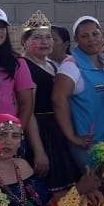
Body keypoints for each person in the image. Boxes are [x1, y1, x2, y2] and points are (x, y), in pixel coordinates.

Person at [0, 6, 48, 176]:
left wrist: (13, 138)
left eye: (1, 27)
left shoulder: (16, 63)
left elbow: (27, 106)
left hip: (10, 139)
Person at [21, 11, 78, 196]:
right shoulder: (23, 66)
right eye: (37, 37)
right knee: (44, 195)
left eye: (48, 37)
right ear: (25, 42)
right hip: (39, 132)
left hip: (56, 131)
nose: (44, 42)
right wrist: (39, 150)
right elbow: (28, 111)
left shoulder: (52, 65)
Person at [54, 16, 104, 170]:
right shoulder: (72, 65)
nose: (91, 39)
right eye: (84, 36)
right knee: (96, 189)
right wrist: (72, 136)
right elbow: (58, 99)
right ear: (76, 39)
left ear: (101, 34)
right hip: (90, 144)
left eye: (95, 34)